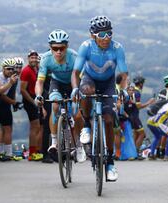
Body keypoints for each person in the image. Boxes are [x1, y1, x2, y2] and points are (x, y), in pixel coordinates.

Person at [71, 16, 128, 181]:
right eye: (101, 34)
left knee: (109, 120)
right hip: (90, 79)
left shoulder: (117, 48)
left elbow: (124, 74)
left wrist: (123, 90)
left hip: (108, 83)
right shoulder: (86, 47)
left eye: (109, 33)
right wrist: (75, 88)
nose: (106, 38)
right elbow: (76, 73)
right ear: (93, 35)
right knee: (87, 91)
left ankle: (110, 162)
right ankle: (87, 125)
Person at [35, 29, 85, 163]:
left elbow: (81, 78)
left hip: (74, 84)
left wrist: (78, 91)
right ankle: (54, 141)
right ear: (50, 47)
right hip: (57, 83)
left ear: (67, 46)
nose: (58, 52)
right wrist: (38, 95)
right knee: (55, 106)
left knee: (77, 114)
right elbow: (40, 81)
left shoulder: (74, 57)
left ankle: (79, 145)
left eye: (62, 48)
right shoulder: (45, 59)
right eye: (55, 48)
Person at [20, 50, 44, 161]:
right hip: (29, 100)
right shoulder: (26, 71)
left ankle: (35, 151)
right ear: (28, 59)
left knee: (37, 126)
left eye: (35, 57)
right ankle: (32, 153)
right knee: (34, 126)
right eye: (31, 57)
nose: (33, 59)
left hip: (35, 99)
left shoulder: (35, 69)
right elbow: (22, 90)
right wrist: (33, 101)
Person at [130, 76, 154, 159]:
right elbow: (139, 106)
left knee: (136, 134)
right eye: (143, 83)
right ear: (140, 84)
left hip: (131, 116)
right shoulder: (137, 92)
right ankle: (136, 153)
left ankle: (132, 152)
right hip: (134, 116)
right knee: (142, 134)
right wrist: (149, 102)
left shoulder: (133, 91)